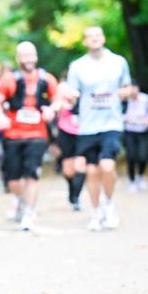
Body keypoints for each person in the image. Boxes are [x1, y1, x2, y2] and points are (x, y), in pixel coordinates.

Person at [65, 26, 132, 231]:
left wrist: (125, 93)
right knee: (92, 171)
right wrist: (70, 96)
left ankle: (109, 204)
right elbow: (72, 91)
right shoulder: (77, 66)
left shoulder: (118, 62)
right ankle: (96, 212)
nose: (94, 39)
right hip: (87, 126)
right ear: (85, 41)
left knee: (107, 166)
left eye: (97, 35)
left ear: (103, 38)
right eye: (90, 37)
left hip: (111, 122)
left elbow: (127, 87)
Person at [0, 41, 60, 231]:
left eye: (31, 55)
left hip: (37, 135)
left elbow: (58, 99)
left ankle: (29, 212)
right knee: (12, 180)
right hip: (13, 134)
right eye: (24, 55)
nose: (28, 59)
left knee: (32, 175)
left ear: (36, 57)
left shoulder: (47, 79)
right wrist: (0, 117)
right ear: (18, 58)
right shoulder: (9, 79)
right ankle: (22, 201)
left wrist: (52, 110)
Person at [54, 73, 86, 210]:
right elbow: (55, 106)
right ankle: (71, 190)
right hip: (65, 132)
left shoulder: (86, 89)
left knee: (81, 166)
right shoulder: (62, 89)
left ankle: (76, 198)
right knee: (68, 170)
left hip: (83, 132)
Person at [123, 83, 148, 191]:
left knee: (143, 156)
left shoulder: (145, 99)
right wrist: (125, 118)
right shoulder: (125, 100)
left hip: (143, 131)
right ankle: (132, 181)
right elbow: (119, 113)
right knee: (131, 157)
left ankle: (140, 176)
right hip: (130, 131)